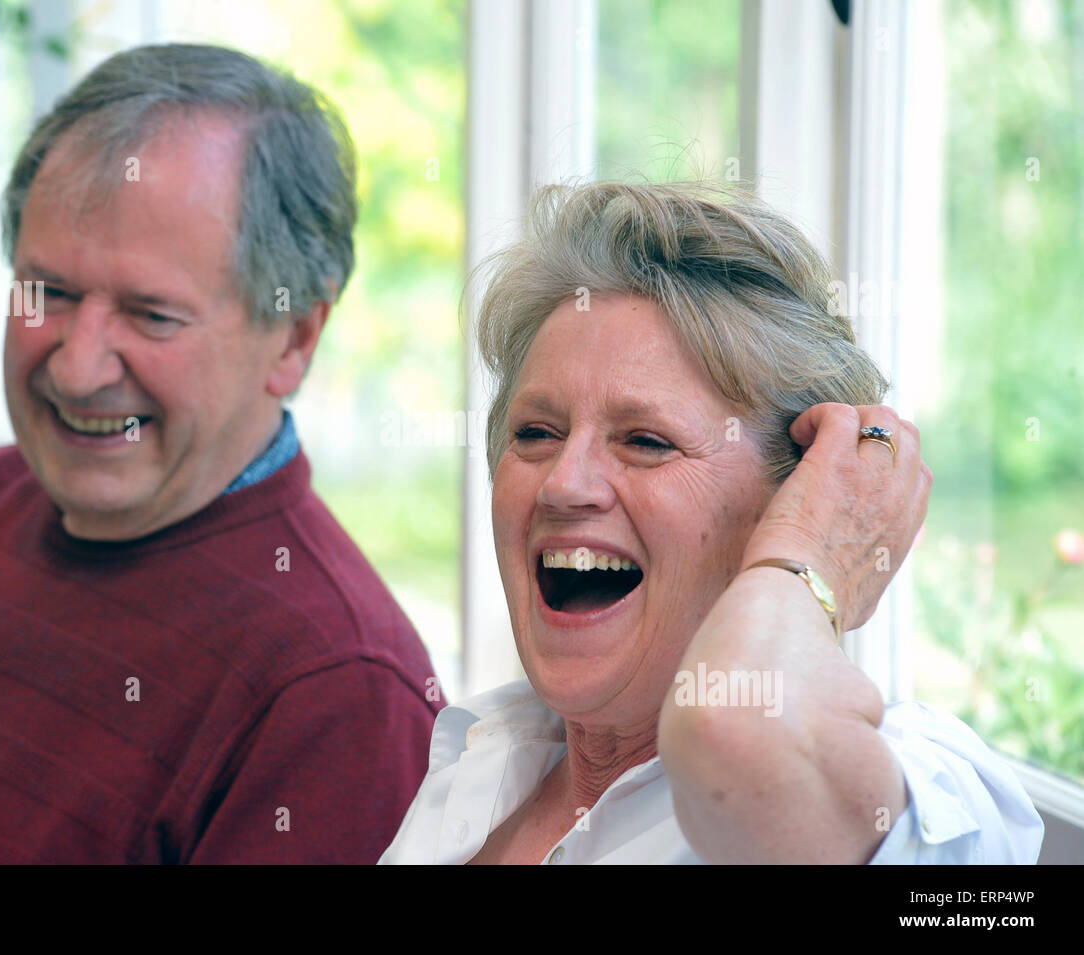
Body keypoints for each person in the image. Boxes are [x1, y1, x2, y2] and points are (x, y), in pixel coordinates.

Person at [0, 44, 442, 864]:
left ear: (295, 338)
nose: (76, 366)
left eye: (151, 313)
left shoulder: (340, 698)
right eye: (48, 292)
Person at [380, 181, 1044, 864]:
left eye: (645, 440)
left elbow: (738, 734)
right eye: (537, 431)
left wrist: (815, 559)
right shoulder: (488, 752)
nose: (562, 484)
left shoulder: (930, 801)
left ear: (796, 499)